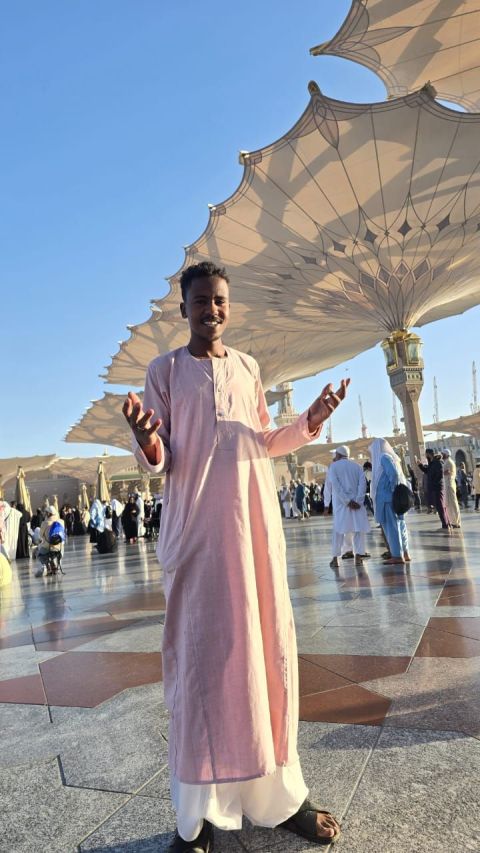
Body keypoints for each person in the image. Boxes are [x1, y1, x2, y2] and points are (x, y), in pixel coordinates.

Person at [122, 261, 346, 851]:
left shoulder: (247, 367)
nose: (212, 310)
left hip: (253, 530)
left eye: (220, 300)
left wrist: (310, 421)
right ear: (184, 309)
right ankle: (197, 820)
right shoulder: (165, 370)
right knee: (202, 664)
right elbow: (164, 455)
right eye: (201, 301)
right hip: (197, 536)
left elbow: (262, 439)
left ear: (229, 306)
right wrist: (146, 438)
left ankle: (278, 798)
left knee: (264, 655)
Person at [323, 446, 370, 569]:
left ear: (338, 455)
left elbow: (334, 486)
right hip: (357, 505)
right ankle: (358, 557)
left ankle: (335, 559)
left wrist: (344, 501)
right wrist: (358, 501)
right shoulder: (357, 467)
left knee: (338, 531)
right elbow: (363, 485)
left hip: (340, 505)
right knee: (358, 530)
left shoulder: (333, 467)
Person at [369, 439, 411, 565]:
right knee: (400, 525)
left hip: (387, 499)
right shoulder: (390, 457)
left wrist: (393, 489)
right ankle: (405, 553)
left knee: (391, 527)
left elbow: (393, 474)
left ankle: (397, 556)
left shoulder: (383, 458)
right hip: (391, 498)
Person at [415, 449, 451, 532]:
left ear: (428, 454)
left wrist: (433, 483)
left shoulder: (437, 462)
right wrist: (420, 465)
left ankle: (445, 525)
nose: (425, 456)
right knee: (440, 506)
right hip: (435, 487)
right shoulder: (432, 463)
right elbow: (427, 471)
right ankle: (446, 523)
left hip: (437, 487)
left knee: (440, 506)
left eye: (426, 454)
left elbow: (440, 475)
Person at [35, 506, 65, 577]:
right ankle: (54, 565)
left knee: (39, 554)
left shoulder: (45, 523)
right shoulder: (61, 521)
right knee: (56, 551)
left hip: (48, 547)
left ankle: (48, 566)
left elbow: (41, 535)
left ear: (48, 513)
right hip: (60, 548)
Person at [441, 450, 461, 528]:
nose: (442, 455)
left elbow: (447, 472)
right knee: (449, 504)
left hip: (449, 485)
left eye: (443, 454)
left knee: (453, 504)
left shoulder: (449, 462)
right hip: (448, 485)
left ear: (446, 454)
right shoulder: (446, 462)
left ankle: (456, 522)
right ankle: (453, 521)